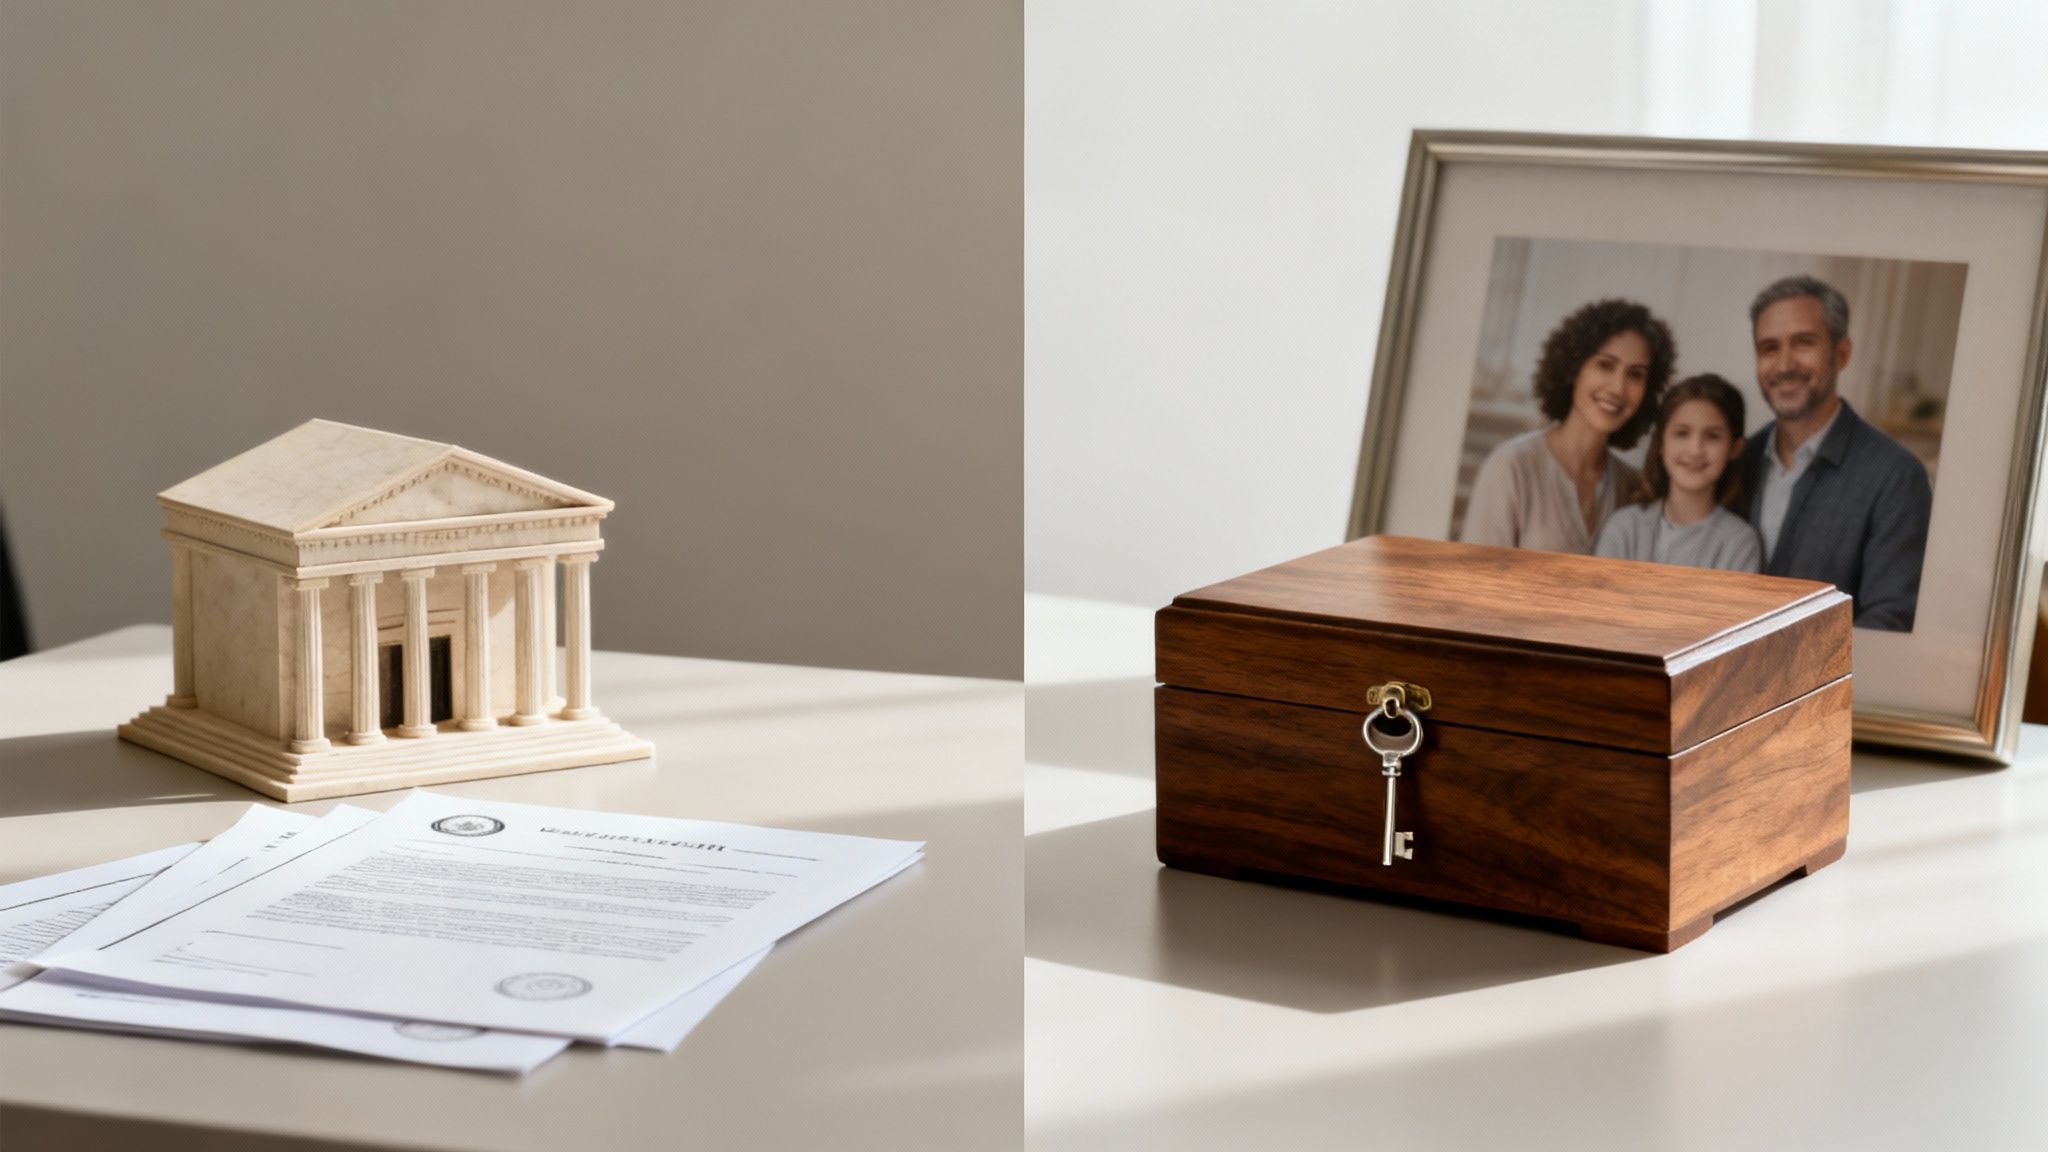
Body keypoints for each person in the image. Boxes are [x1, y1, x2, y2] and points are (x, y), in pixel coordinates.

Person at [1734, 275, 1932, 631]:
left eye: (1803, 343)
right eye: (1769, 348)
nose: (1783, 364)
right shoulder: (1737, 461)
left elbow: (1890, 621)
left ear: (1841, 354)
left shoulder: (1897, 478)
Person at [1460, 298, 1675, 553]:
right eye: (1605, 365)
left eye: (1635, 374)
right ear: (1574, 368)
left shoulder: (1632, 487)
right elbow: (1476, 581)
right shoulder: (1512, 467)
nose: (1618, 388)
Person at [1595, 374, 1762, 572]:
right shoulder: (1624, 527)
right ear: (1660, 443)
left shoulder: (1739, 543)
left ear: (1735, 448)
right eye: (1681, 433)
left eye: (1712, 436)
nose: (1695, 450)